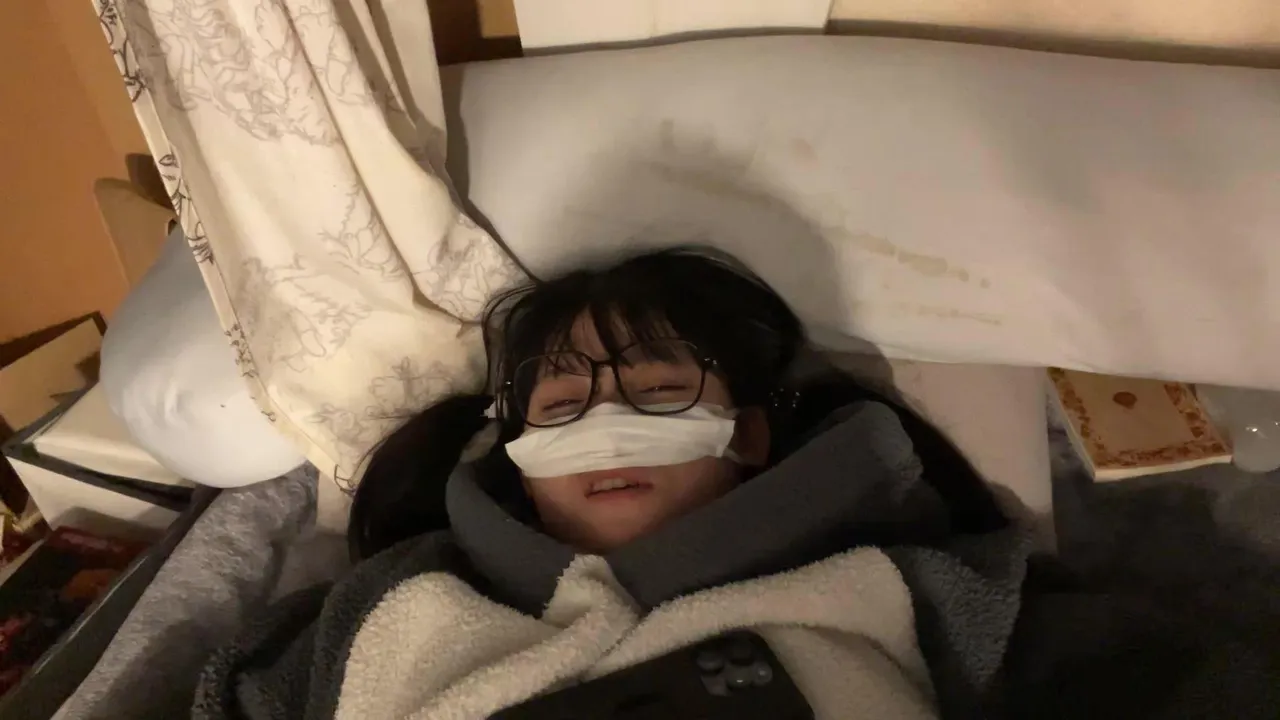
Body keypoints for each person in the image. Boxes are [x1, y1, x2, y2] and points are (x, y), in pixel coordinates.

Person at [196, 248, 1021, 720]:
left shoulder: (909, 584)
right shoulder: (394, 600)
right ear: (520, 459)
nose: (607, 424)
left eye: (659, 391)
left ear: (748, 434)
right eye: (562, 405)